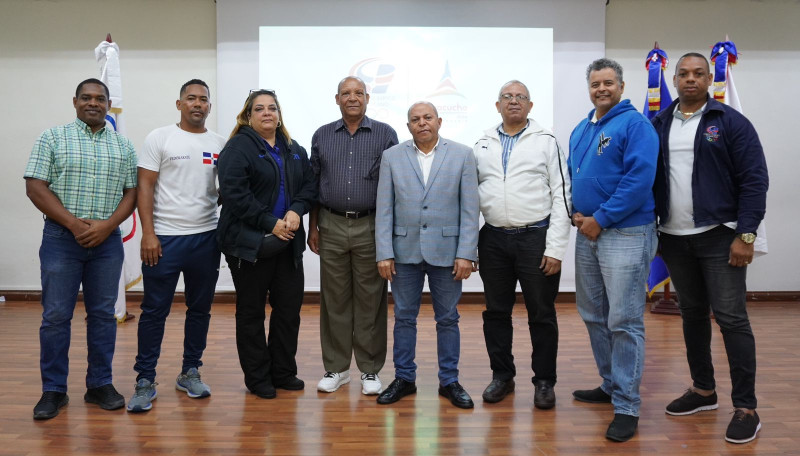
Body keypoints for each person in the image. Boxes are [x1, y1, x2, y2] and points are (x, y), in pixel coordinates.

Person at [652, 52, 768, 444]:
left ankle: (746, 407)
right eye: (682, 74)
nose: (689, 80)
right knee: (692, 316)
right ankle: (703, 391)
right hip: (673, 237)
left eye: (698, 73)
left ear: (708, 78)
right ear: (673, 78)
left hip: (722, 236)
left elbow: (754, 180)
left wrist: (746, 235)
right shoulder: (660, 122)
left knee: (732, 319)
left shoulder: (730, 122)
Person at [25, 78, 137, 420]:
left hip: (107, 242)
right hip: (61, 240)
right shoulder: (52, 137)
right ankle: (54, 390)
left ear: (107, 103)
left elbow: (131, 193)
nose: (94, 103)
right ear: (75, 102)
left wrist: (105, 227)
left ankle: (99, 384)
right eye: (86, 98)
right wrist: (75, 225)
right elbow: (35, 186)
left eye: (100, 98)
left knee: (103, 316)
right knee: (56, 316)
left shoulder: (123, 146)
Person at [568, 58, 658, 442]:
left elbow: (639, 180)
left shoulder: (635, 125)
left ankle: (626, 405)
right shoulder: (582, 127)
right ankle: (610, 383)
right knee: (593, 313)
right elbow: (577, 175)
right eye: (595, 84)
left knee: (624, 321)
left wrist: (600, 218)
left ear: (621, 86)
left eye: (608, 83)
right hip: (588, 232)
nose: (601, 89)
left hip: (624, 233)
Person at [126, 79, 226, 413]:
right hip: (164, 240)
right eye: (191, 98)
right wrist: (148, 234)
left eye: (203, 99)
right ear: (179, 103)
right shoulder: (160, 137)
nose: (198, 104)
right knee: (155, 311)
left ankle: (190, 370)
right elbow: (144, 188)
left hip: (206, 240)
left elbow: (225, 191)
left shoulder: (220, 143)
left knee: (200, 310)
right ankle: (144, 380)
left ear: (209, 106)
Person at [473, 80, 571, 409]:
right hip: (493, 240)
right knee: (496, 313)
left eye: (521, 97)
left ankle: (544, 381)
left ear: (530, 106)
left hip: (536, 239)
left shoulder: (546, 142)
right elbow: (471, 198)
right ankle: (502, 376)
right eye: (507, 97)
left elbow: (562, 195)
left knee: (541, 314)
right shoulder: (482, 143)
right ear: (497, 105)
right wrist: (470, 246)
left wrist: (555, 247)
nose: (514, 101)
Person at [375, 102, 479, 409]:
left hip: (448, 253)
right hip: (403, 252)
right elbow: (384, 209)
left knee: (448, 319)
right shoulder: (392, 156)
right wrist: (384, 252)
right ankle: (404, 378)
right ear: (408, 126)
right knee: (404, 318)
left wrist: (466, 253)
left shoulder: (462, 155)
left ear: (439, 121)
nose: (422, 123)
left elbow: (470, 210)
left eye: (428, 118)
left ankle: (449, 381)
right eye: (415, 119)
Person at [217, 89, 316, 399]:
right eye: (259, 109)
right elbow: (235, 195)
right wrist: (270, 222)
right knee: (251, 313)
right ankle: (258, 377)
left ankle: (283, 372)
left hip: (288, 245)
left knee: (288, 311)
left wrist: (296, 210)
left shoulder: (293, 148)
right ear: (249, 116)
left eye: (272, 108)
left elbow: (309, 184)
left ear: (279, 113)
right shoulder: (238, 148)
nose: (267, 113)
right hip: (249, 246)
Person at [308, 77, 398, 395]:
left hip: (371, 226)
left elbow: (392, 188)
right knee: (334, 299)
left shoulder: (386, 135)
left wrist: (388, 235)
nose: (352, 98)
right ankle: (337, 368)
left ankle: (370, 371)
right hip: (331, 225)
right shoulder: (321, 136)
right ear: (337, 99)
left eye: (358, 93)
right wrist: (313, 227)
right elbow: (314, 185)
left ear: (368, 98)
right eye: (346, 93)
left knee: (371, 300)